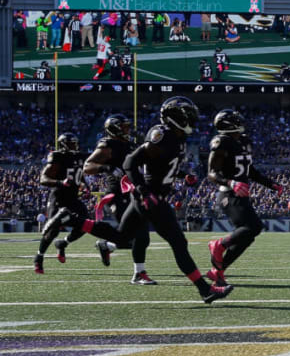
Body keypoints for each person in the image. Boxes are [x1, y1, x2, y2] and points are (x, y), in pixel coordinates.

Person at [48, 97, 233, 303]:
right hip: (150, 199)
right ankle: (204, 290)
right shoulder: (161, 135)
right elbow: (130, 162)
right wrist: (144, 191)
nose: (192, 119)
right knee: (178, 243)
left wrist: (182, 176)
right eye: (188, 115)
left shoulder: (177, 137)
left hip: (146, 198)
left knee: (121, 237)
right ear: (176, 118)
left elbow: (161, 165)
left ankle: (71, 219)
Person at [206, 109, 283, 287]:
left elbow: (251, 171)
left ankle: (218, 271)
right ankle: (218, 245)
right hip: (228, 193)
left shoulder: (244, 141)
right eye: (236, 120)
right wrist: (231, 182)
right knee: (253, 226)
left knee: (249, 235)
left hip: (241, 194)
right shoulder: (221, 142)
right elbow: (211, 173)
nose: (241, 122)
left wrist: (271, 184)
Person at [82, 114, 155, 285]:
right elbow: (88, 166)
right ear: (114, 128)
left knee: (135, 237)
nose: (128, 130)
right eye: (124, 127)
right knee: (139, 235)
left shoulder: (128, 144)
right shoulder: (108, 144)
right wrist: (107, 167)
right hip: (118, 194)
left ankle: (107, 246)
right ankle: (138, 273)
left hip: (133, 193)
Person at [33, 133, 89, 274]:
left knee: (87, 224)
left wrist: (84, 185)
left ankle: (63, 243)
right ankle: (39, 258)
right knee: (52, 231)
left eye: (75, 143)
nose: (75, 146)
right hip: (58, 199)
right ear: (63, 144)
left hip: (73, 199)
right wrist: (60, 182)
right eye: (71, 143)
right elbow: (43, 178)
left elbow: (79, 173)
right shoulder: (57, 156)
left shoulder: (79, 156)